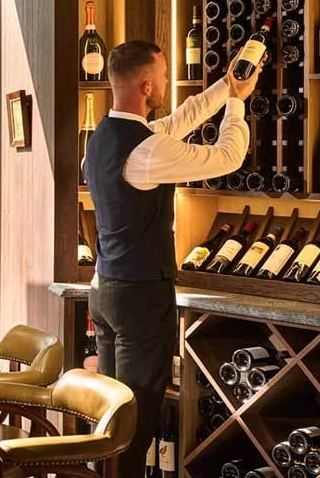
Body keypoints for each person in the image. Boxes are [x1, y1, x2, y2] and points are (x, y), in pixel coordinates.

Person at [82, 40, 260, 477]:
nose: (165, 82)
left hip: (105, 291)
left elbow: (181, 119)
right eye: (161, 77)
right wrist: (237, 107)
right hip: (140, 297)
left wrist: (228, 86)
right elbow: (227, 157)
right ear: (146, 85)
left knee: (112, 415)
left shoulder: (105, 136)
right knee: (134, 423)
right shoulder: (147, 151)